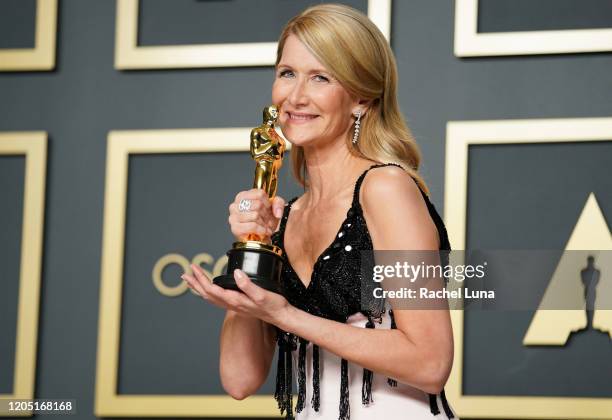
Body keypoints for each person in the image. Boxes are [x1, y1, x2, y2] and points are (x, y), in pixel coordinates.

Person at [182, 4, 456, 419]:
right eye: (287, 73)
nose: (295, 97)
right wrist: (253, 245)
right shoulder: (287, 215)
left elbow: (431, 363)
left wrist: (287, 316)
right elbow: (238, 380)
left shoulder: (386, 189)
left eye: (320, 78)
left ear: (361, 97)